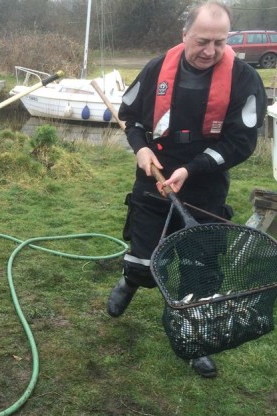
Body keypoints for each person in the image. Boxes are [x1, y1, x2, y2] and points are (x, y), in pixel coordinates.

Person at [107, 1, 267, 378]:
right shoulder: (154, 69)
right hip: (153, 181)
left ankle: (195, 340)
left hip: (205, 188)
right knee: (146, 263)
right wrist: (141, 146)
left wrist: (191, 170)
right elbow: (128, 116)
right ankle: (132, 282)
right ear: (184, 35)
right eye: (202, 41)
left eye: (219, 42)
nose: (210, 51)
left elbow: (241, 143)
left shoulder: (245, 81)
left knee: (200, 273)